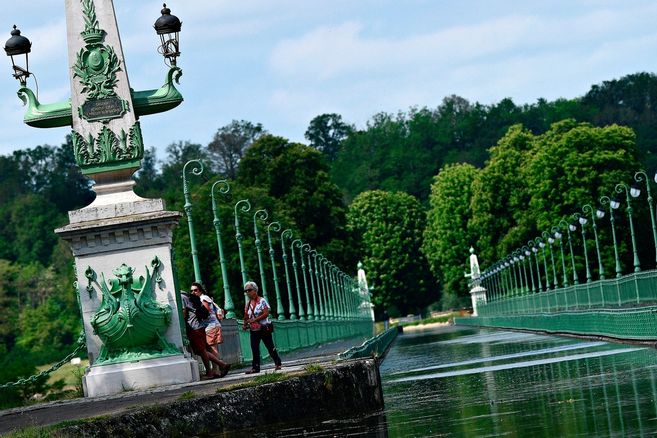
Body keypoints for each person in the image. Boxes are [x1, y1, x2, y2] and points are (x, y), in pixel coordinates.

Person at [182, 287, 229, 379]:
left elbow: (184, 313)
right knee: (204, 350)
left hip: (194, 327)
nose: (193, 292)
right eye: (192, 290)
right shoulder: (188, 296)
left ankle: (215, 369)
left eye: (195, 290)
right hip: (201, 326)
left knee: (202, 351)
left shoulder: (181, 297)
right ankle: (218, 368)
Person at [242, 281, 282, 374]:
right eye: (246, 291)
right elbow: (246, 316)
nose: (247, 292)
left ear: (255, 290)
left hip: (264, 328)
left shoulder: (262, 301)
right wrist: (245, 324)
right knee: (254, 347)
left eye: (249, 290)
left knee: (269, 346)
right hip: (254, 329)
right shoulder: (248, 304)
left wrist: (255, 320)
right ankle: (255, 367)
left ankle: (277, 362)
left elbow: (266, 313)